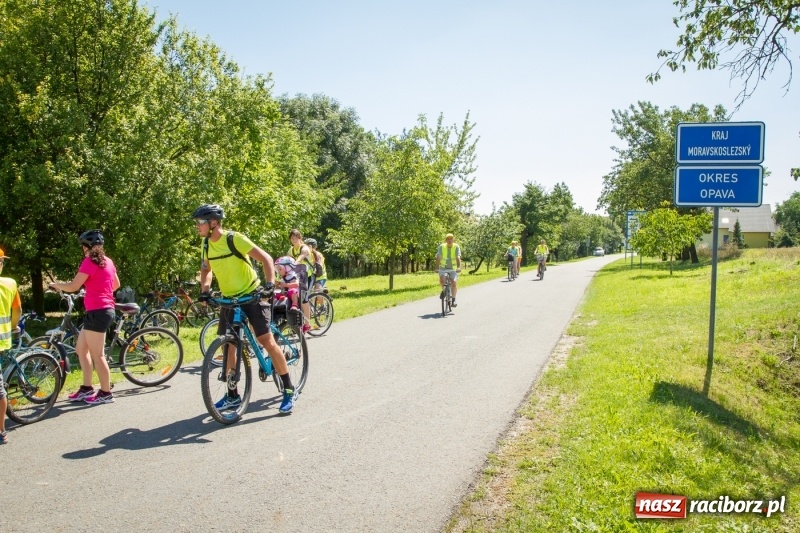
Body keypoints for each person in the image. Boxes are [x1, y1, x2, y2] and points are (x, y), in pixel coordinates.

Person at [193, 204, 297, 414]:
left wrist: (269, 284)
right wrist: (205, 289)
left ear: (213, 223)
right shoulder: (206, 245)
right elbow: (206, 270)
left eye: (200, 222)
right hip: (229, 299)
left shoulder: (234, 239)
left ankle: (288, 389)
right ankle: (233, 395)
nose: (197, 226)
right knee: (228, 345)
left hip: (252, 294)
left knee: (265, 340)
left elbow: (266, 259)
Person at [49, 230, 120, 405]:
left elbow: (73, 286)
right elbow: (116, 284)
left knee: (98, 355)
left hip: (99, 311)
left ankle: (106, 393)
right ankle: (87, 388)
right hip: (99, 310)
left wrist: (56, 285)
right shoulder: (108, 261)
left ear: (86, 247)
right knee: (81, 350)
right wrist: (99, 290)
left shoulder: (89, 262)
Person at [0, 247, 22, 443]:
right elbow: (17, 309)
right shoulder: (10, 284)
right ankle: (1, 431)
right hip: (3, 340)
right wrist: (14, 327)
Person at [287, 229, 313, 333]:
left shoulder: (304, 247)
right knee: (293, 296)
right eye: (292, 238)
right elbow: (287, 260)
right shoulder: (291, 250)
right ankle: (296, 322)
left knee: (303, 299)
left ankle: (307, 325)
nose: (293, 239)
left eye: (295, 237)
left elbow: (302, 255)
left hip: (308, 276)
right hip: (298, 277)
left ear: (300, 238)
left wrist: (296, 261)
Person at [435, 233, 462, 307]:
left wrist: (459, 267)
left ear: (453, 239)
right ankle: (444, 291)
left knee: (453, 282)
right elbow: (438, 257)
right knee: (442, 280)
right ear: (446, 240)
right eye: (448, 239)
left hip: (453, 268)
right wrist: (437, 268)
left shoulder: (456, 246)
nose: (449, 240)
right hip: (443, 268)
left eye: (451, 238)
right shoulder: (442, 246)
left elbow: (458, 257)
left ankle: (453, 300)